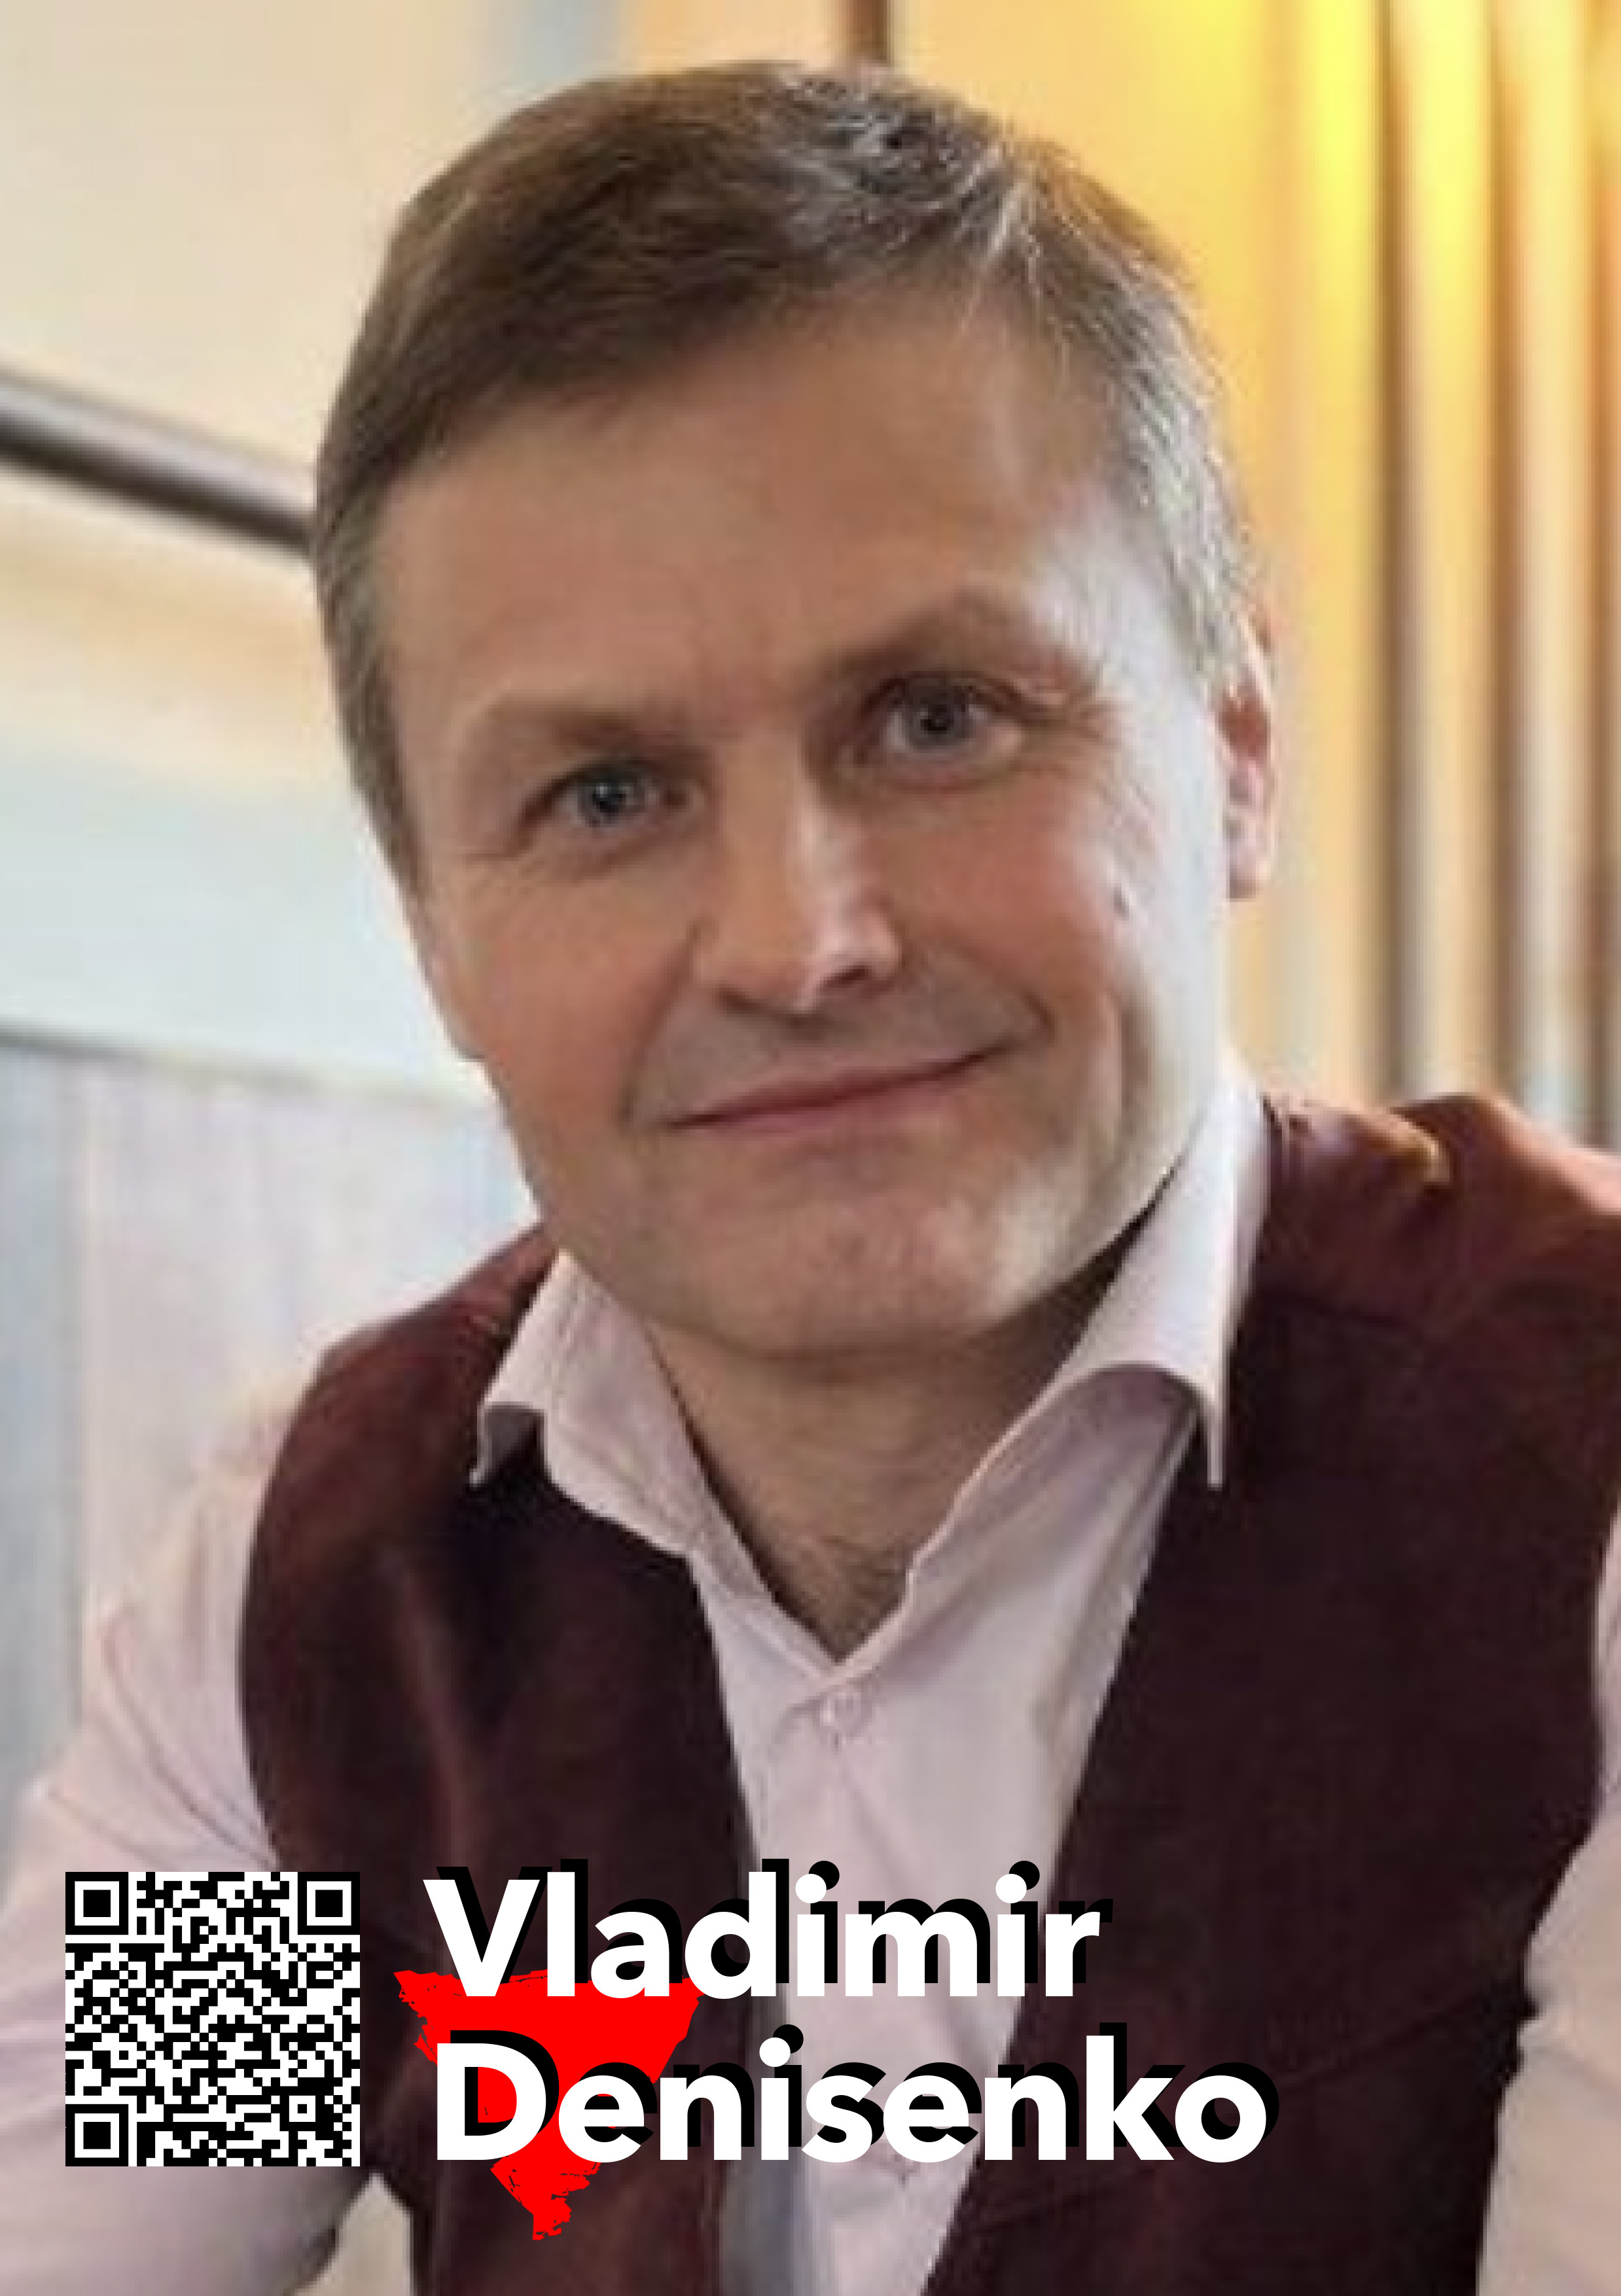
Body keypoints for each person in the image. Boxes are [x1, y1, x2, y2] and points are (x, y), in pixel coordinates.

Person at [2, 56, 1619, 2296]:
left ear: (1235, 748)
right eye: (604, 793)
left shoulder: (1581, 1467)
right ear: (434, 929)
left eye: (938, 716)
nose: (795, 941)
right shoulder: (295, 1595)